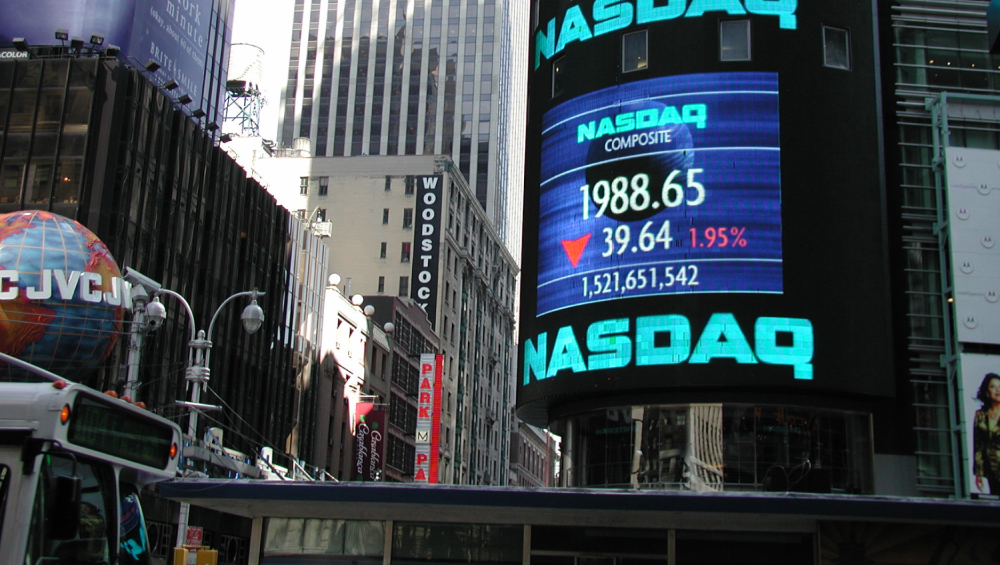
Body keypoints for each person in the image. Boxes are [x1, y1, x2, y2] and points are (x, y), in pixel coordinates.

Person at [973, 373, 1000, 495]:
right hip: (991, 469)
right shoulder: (981, 415)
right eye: (993, 387)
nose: (997, 390)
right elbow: (978, 445)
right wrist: (979, 474)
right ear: (987, 391)